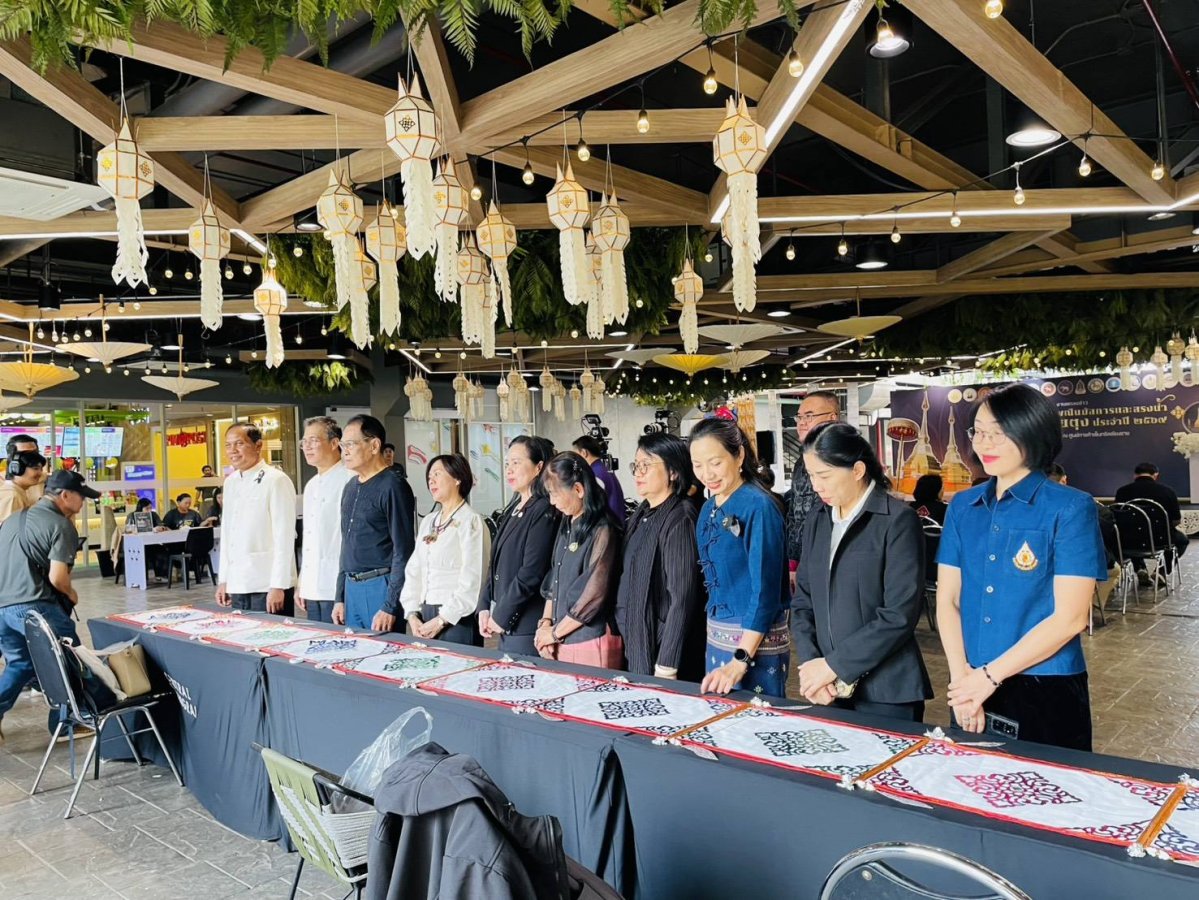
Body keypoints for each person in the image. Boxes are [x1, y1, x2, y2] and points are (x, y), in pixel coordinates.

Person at [937, 383, 1106, 751]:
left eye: (998, 433)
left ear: (1032, 433)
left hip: (1044, 683)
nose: (984, 443)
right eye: (978, 432)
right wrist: (961, 680)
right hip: (968, 682)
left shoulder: (1070, 508)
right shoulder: (963, 507)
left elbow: (1071, 618)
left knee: (1048, 783)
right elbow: (948, 600)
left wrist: (987, 679)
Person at [791, 423, 932, 721]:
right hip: (827, 688)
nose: (816, 486)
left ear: (857, 470)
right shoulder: (818, 519)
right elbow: (804, 600)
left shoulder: (896, 521)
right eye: (811, 475)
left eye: (824, 476)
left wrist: (833, 666)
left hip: (886, 691)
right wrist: (812, 664)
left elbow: (899, 614)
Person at [690, 412, 790, 697]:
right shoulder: (708, 507)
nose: (707, 474)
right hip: (717, 637)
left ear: (739, 456)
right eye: (698, 465)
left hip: (754, 645)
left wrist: (740, 659)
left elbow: (765, 591)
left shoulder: (759, 506)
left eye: (715, 462)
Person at [0, 470, 97, 739]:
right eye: (81, 496)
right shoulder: (61, 525)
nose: (83, 502)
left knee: (20, 664)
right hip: (35, 605)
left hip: (2, 607)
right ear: (65, 495)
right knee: (69, 660)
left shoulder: (12, 520)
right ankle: (65, 724)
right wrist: (72, 594)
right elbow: (57, 578)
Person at [615, 433, 706, 681]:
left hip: (665, 652)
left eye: (646, 465)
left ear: (673, 471)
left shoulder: (680, 518)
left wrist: (667, 664)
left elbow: (682, 597)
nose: (638, 473)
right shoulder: (642, 513)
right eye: (636, 465)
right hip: (636, 639)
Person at [534, 452, 623, 668]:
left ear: (578, 489)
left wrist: (553, 634)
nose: (552, 502)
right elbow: (554, 578)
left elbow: (593, 596)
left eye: (555, 494)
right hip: (561, 635)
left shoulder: (603, 529)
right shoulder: (567, 522)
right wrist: (545, 624)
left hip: (589, 639)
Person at [477, 436, 560, 655]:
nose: (509, 470)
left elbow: (531, 572)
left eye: (516, 462)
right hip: (507, 627)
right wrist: (484, 606)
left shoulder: (543, 509)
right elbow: (494, 565)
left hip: (527, 626)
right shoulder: (514, 508)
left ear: (538, 467)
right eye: (507, 463)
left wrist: (501, 615)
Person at [335, 415, 415, 632]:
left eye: (350, 444)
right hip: (351, 587)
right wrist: (339, 596)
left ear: (374, 445)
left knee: (382, 649)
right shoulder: (350, 487)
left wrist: (390, 604)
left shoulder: (393, 486)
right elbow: (346, 544)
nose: (345, 451)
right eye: (342, 445)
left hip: (380, 585)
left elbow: (403, 550)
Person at [401, 454, 489, 646]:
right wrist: (412, 614)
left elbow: (474, 578)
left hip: (458, 618)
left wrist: (442, 620)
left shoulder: (471, 521)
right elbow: (414, 570)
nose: (431, 480)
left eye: (437, 474)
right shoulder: (428, 521)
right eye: (429, 476)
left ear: (457, 478)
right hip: (425, 615)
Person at [215, 423, 297, 615]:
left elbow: (284, 537)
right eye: (228, 445)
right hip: (238, 581)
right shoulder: (231, 482)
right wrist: (224, 579)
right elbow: (227, 534)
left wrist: (278, 585)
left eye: (239, 444)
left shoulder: (276, 479)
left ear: (258, 445)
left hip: (266, 583)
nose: (232, 450)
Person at [297, 416, 353, 625]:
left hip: (337, 585)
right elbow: (309, 539)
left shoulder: (350, 479)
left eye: (313, 440)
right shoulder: (311, 484)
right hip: (313, 585)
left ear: (334, 443)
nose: (307, 447)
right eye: (304, 442)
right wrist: (303, 583)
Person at [785, 391, 840, 593]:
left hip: (834, 558)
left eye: (809, 416)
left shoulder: (845, 459)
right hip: (805, 561)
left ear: (832, 417)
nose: (801, 422)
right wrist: (793, 562)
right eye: (799, 417)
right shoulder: (802, 461)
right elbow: (795, 514)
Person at [1114, 462, 1188, 579]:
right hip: (1160, 539)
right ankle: (1161, 571)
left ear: (1135, 475)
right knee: (1182, 541)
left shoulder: (1122, 492)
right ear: (1155, 475)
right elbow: (1176, 520)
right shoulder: (1167, 491)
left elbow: (1118, 518)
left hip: (1129, 540)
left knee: (1132, 533)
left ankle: (1140, 568)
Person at [571, 435, 626, 523]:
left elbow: (593, 507)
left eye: (576, 456)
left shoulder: (594, 474)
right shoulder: (603, 469)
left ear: (584, 452)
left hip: (608, 526)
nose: (575, 461)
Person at [0, 451, 47, 523]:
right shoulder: (13, 496)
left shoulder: (15, 491)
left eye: (41, 469)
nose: (40, 473)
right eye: (36, 468)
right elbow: (9, 528)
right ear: (17, 469)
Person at [5, 434, 46, 504]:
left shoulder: (41, 477)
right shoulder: (9, 492)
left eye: (35, 453)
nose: (33, 458)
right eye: (26, 455)